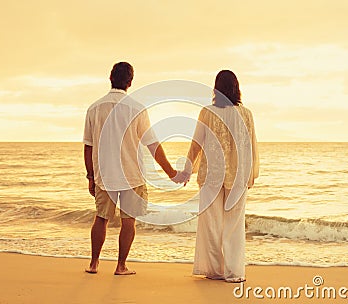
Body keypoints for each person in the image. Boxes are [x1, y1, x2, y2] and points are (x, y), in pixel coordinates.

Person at [83, 62, 181, 275]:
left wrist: (90, 176)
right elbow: (153, 145)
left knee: (101, 218)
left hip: (104, 175)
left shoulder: (94, 108)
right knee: (129, 222)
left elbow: (88, 147)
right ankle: (121, 266)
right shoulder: (136, 108)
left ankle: (93, 263)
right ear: (130, 82)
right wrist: (171, 173)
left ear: (110, 78)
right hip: (132, 174)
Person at [181, 70, 259, 282]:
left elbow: (196, 144)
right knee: (234, 224)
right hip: (238, 175)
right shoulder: (246, 114)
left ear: (216, 89)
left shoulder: (207, 112)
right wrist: (251, 174)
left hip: (211, 176)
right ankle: (234, 272)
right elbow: (251, 147)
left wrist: (187, 169)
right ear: (237, 88)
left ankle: (215, 270)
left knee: (212, 223)